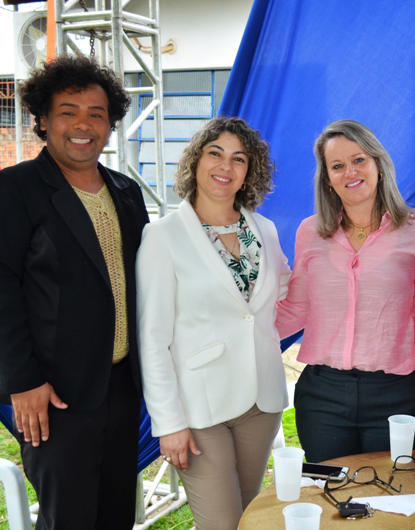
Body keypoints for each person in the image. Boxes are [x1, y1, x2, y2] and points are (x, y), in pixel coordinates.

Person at [0, 56, 149, 528]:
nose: (83, 125)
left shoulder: (127, 192)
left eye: (96, 114)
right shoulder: (10, 190)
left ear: (110, 125)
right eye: (68, 112)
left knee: (116, 515)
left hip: (122, 386)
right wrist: (23, 382)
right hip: (53, 394)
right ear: (43, 121)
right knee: (68, 518)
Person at [136, 117, 291, 529]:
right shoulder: (163, 236)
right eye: (215, 153)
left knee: (246, 516)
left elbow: (276, 298)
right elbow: (153, 339)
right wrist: (168, 424)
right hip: (198, 407)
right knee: (220, 523)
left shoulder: (265, 230)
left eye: (239, 158)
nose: (226, 166)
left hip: (261, 402)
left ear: (249, 171)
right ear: (196, 161)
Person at [276, 120, 415, 463]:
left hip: (395, 397)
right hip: (322, 396)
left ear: (379, 165)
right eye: (337, 166)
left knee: (393, 490)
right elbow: (296, 308)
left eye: (359, 160)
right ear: (327, 179)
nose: (350, 172)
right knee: (331, 491)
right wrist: (239, 326)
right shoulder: (309, 232)